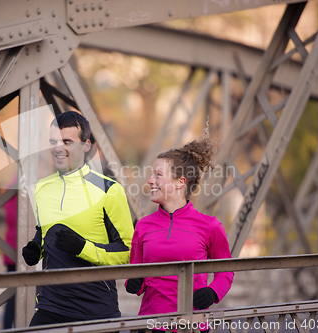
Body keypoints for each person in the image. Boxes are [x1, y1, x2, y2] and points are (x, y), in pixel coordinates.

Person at [21, 111, 134, 325]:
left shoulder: (109, 190)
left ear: (86, 145)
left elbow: (128, 252)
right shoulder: (41, 189)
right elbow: (45, 231)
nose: (58, 148)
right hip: (49, 306)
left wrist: (83, 248)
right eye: (53, 141)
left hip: (96, 309)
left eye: (67, 141)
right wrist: (36, 247)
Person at [125, 130, 234, 331]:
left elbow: (225, 271)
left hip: (192, 326)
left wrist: (212, 292)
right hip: (150, 326)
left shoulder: (209, 226)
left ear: (180, 182)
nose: (150, 181)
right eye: (151, 174)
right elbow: (136, 273)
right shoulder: (143, 226)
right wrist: (133, 282)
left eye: (158, 175)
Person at [2, 193, 17, 329]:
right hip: (19, 251)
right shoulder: (23, 198)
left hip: (10, 251)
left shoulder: (9, 199)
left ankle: (6, 328)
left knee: (11, 296)